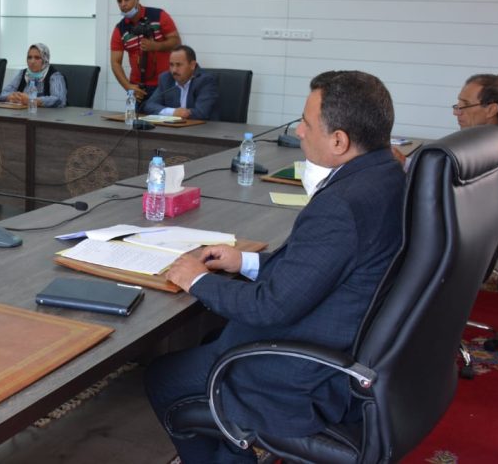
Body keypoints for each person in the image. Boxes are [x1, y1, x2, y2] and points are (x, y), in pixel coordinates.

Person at [146, 70, 405, 464]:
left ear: (339, 141)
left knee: (163, 378)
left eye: (307, 123)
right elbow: (317, 268)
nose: (298, 132)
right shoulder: (388, 175)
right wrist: (246, 261)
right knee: (209, 340)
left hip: (305, 377)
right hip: (347, 343)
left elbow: (270, 307)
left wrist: (196, 279)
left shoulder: (341, 205)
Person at [110, 0, 181, 105]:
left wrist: (156, 46)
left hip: (165, 84)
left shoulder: (159, 15)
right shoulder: (119, 29)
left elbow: (176, 42)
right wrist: (128, 87)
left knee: (164, 117)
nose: (123, 4)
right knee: (133, 118)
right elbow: (115, 62)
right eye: (119, 1)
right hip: (137, 87)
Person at [141, 45, 217, 120]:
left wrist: (183, 113)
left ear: (192, 65)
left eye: (179, 65)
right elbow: (149, 105)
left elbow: (202, 112)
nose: (174, 70)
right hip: (175, 126)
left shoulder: (205, 80)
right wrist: (173, 112)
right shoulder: (166, 79)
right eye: (171, 65)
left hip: (202, 127)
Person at [0, 43, 67, 108]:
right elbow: (2, 94)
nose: (32, 61)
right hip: (22, 113)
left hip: (46, 115)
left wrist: (32, 101)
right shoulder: (23, 73)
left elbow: (59, 100)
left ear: (45, 59)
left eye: (37, 58)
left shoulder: (55, 76)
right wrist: (11, 96)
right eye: (29, 57)